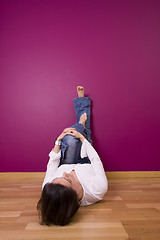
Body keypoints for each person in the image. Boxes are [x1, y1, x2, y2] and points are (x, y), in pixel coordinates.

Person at [37, 86, 108, 226]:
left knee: (68, 137)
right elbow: (96, 160)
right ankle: (81, 122)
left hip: (67, 161)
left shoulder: (48, 188)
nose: (64, 173)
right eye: (68, 180)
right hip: (87, 160)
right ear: (74, 196)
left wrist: (57, 141)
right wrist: (83, 139)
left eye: (57, 178)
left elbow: (52, 164)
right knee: (80, 134)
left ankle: (81, 122)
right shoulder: (97, 190)